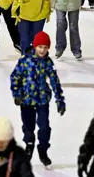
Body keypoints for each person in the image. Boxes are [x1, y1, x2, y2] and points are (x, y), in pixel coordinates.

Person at [10, 31, 66, 166]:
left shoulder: (48, 62)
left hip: (42, 100)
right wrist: (16, 94)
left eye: (45, 47)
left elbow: (54, 81)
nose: (42, 50)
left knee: (44, 127)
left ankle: (43, 149)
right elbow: (15, 77)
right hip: (26, 100)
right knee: (28, 126)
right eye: (40, 47)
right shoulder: (25, 60)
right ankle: (29, 145)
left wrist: (60, 100)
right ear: (35, 46)